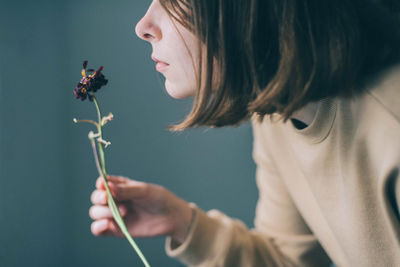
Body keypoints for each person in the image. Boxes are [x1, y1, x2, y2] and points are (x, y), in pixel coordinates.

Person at [89, 0, 400, 266]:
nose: (143, 26)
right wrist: (181, 221)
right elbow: (289, 260)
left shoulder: (391, 123)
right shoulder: (277, 110)